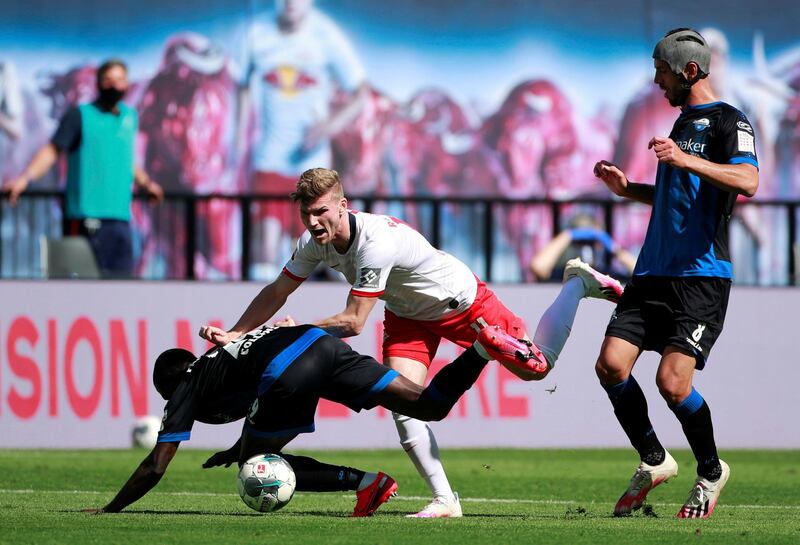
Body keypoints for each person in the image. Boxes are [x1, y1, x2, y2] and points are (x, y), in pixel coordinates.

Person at [199, 167, 624, 517]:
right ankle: (445, 501)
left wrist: (283, 334)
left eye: (321, 212)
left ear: (343, 206)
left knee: (537, 369)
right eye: (307, 214)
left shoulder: (374, 244)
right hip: (406, 315)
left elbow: (352, 322)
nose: (313, 222)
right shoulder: (315, 243)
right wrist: (239, 332)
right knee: (402, 403)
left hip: (460, 301)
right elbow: (277, 291)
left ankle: (575, 283)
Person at [83, 321, 529, 516]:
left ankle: (368, 484)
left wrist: (109, 509)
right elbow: (250, 400)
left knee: (256, 467)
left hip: (286, 369)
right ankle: (482, 349)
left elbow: (155, 465)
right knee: (429, 405)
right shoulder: (218, 359)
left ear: (168, 384)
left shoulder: (185, 384)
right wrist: (240, 445)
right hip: (320, 344)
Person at [592, 28, 759, 519]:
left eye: (662, 72)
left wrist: (684, 158)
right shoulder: (682, 123)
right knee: (610, 366)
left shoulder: (730, 121)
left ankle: (710, 470)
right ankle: (655, 459)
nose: (656, 81)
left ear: (689, 71)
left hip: (700, 276)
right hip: (652, 273)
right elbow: (678, 193)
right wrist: (630, 191)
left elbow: (748, 180)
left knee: (672, 382)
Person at [236, 0, 368, 276]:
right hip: (269, 161)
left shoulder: (326, 34)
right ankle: (262, 316)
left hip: (312, 168)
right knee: (266, 251)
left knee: (319, 252)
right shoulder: (257, 33)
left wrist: (327, 127)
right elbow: (243, 88)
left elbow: (359, 93)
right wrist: (239, 144)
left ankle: (317, 315)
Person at [3, 59, 163, 278]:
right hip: (86, 217)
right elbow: (52, 151)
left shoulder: (129, 117)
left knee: (121, 288)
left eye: (119, 80)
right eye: (108, 80)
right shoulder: (80, 116)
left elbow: (125, 160)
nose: (114, 86)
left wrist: (146, 183)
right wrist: (24, 179)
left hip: (120, 219)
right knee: (86, 290)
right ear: (98, 84)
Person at [529, 214, 637, 282]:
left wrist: (614, 248)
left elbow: (640, 272)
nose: (586, 248)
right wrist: (567, 236)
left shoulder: (605, 275)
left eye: (592, 242)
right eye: (579, 243)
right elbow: (538, 267)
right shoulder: (564, 274)